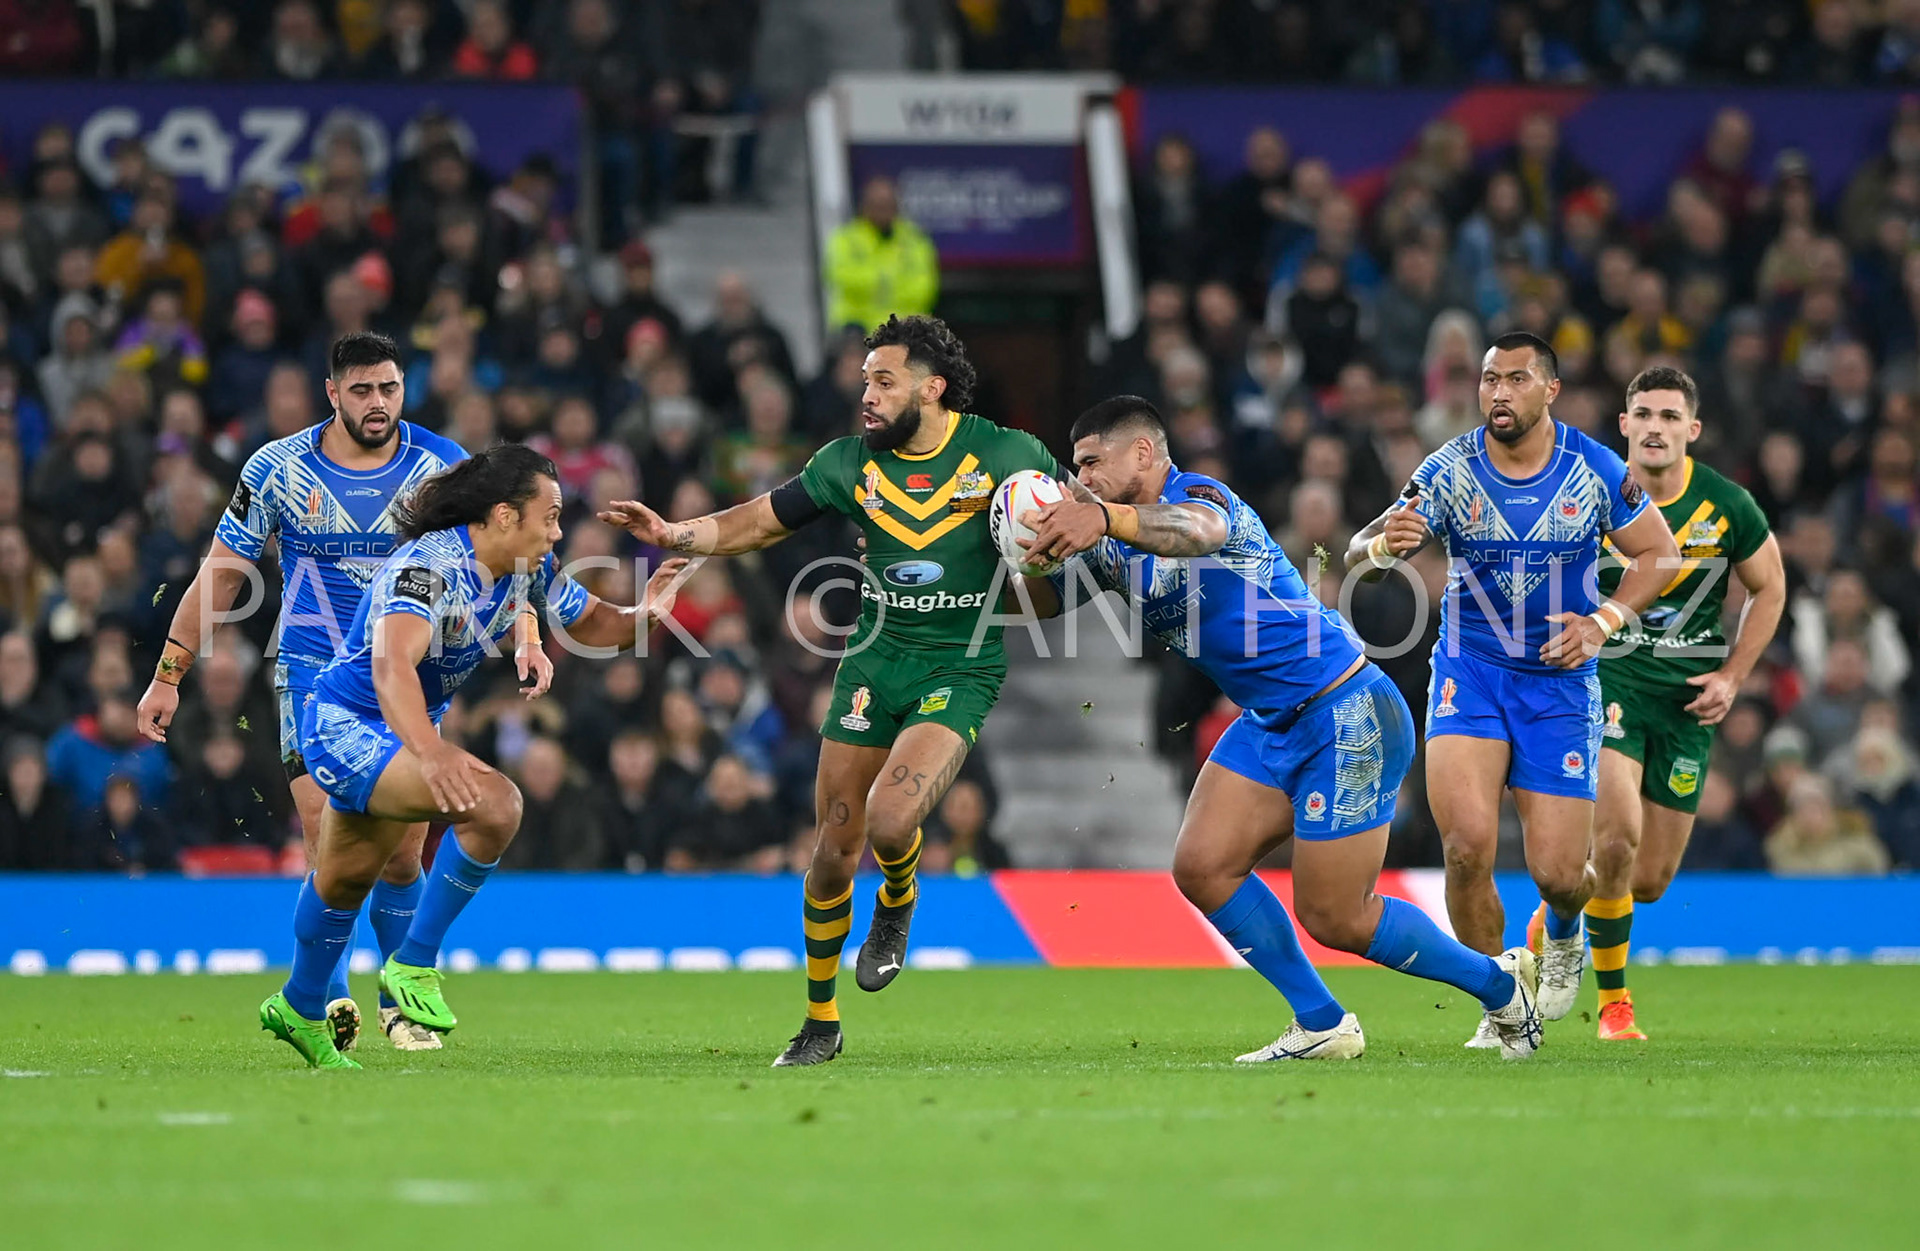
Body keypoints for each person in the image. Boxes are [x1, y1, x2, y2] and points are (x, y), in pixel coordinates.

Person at [1017, 397, 1543, 1061]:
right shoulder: (1114, 546)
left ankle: (1500, 986)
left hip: (1344, 708)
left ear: (1143, 454)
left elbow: (1199, 531)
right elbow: (1037, 602)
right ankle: (1322, 1021)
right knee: (1203, 866)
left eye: (1093, 461)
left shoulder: (1199, 495)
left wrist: (1098, 514)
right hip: (1270, 719)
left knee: (1335, 915)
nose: (1082, 475)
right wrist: (1015, 548)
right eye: (1076, 467)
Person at [599, 314, 1063, 1067]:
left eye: (883, 380)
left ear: (932, 387)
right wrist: (677, 534)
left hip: (959, 669)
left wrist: (1060, 555)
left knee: (890, 817)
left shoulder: (1007, 454)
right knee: (832, 849)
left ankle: (899, 897)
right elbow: (760, 520)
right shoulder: (848, 463)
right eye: (863, 382)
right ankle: (820, 1020)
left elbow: (1071, 535)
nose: (868, 396)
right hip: (872, 666)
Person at [262, 444, 688, 1068]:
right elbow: (390, 666)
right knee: (494, 803)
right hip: (344, 723)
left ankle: (298, 1005)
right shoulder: (426, 568)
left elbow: (592, 623)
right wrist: (430, 751)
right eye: (550, 516)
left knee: (347, 875)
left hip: (396, 731)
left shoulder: (523, 571)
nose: (558, 531)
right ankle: (413, 963)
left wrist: (644, 615)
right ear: (505, 515)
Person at [1344, 332, 1680, 1046]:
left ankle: (1563, 933)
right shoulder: (1450, 468)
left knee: (1560, 874)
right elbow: (1357, 551)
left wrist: (1604, 620)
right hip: (1471, 672)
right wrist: (1382, 547)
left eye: (1516, 379)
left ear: (1549, 390)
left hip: (1559, 686)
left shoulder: (1594, 468)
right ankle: (1501, 1002)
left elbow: (1662, 553)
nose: (1498, 392)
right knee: (1466, 847)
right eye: (1490, 379)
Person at [136, 332, 467, 1053]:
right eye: (361, 390)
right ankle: (327, 999)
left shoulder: (443, 466)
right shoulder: (278, 467)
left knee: (405, 850)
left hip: (405, 672)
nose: (377, 403)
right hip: (314, 670)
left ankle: (401, 998)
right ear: (332, 393)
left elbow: (499, 556)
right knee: (329, 836)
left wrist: (529, 626)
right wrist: (169, 674)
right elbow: (222, 571)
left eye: (388, 388)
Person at [1576, 366, 1784, 1041]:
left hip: (1687, 702)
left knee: (1650, 878)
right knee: (1615, 836)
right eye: (1644, 414)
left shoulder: (1726, 504)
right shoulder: (1592, 495)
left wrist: (1732, 676)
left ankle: (1557, 915)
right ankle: (1614, 1005)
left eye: (1670, 416)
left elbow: (1770, 587)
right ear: (1624, 425)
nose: (1656, 427)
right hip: (1610, 682)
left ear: (1692, 430)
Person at [823, 176, 939, 335]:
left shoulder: (915, 239)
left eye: (888, 205)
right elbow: (842, 278)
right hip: (858, 331)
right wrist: (892, 282)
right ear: (865, 206)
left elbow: (923, 289)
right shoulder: (846, 239)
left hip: (905, 331)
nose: (884, 211)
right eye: (877, 205)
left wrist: (877, 285)